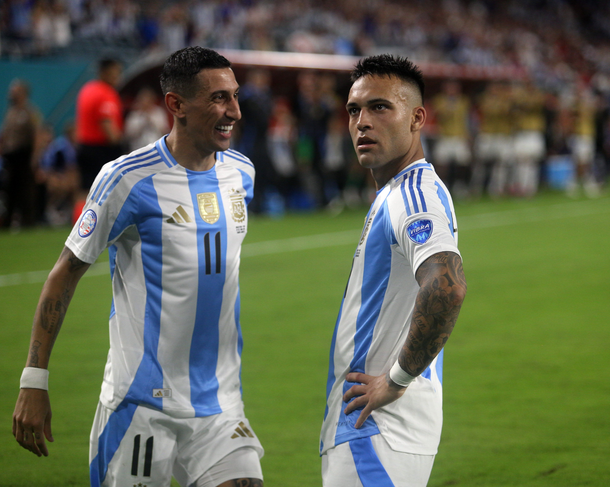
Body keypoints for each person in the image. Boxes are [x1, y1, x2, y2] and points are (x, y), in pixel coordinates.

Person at [13, 46, 264, 487]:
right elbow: (64, 273)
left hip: (220, 405)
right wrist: (34, 379)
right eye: (218, 98)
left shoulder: (241, 172)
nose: (234, 111)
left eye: (235, 96)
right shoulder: (126, 178)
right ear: (176, 105)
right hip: (141, 406)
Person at [320, 54, 467, 487]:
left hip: (378, 426)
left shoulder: (411, 195)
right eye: (354, 110)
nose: (362, 122)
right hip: (379, 427)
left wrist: (396, 380)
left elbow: (447, 286)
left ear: (417, 118)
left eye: (380, 107)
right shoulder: (398, 191)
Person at [74, 57, 124, 220]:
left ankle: (79, 223)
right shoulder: (106, 93)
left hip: (83, 145)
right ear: (105, 72)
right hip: (101, 149)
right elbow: (108, 127)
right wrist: (120, 143)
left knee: (84, 189)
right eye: (115, 72)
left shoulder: (86, 89)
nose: (118, 76)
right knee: (109, 189)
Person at [0, 79, 41, 228]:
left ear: (23, 93)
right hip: (10, 157)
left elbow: (37, 136)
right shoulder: (10, 112)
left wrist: (35, 157)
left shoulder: (30, 112)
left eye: (15, 92)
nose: (11, 95)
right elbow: (5, 135)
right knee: (9, 189)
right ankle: (8, 221)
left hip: (23, 156)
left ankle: (28, 221)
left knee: (26, 190)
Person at [124, 86, 170, 152]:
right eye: (143, 100)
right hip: (138, 150)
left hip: (157, 149)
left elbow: (165, 131)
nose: (146, 103)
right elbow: (128, 135)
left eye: (148, 100)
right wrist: (142, 122)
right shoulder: (134, 115)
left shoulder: (159, 112)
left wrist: (151, 121)